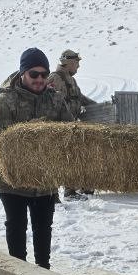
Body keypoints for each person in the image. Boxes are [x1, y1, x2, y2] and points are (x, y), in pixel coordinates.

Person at [0, 47, 75, 268]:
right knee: (16, 227)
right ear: (23, 73)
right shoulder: (4, 101)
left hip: (45, 181)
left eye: (44, 74)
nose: (39, 79)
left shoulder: (55, 100)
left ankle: (43, 272)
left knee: (43, 228)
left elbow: (69, 133)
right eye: (34, 74)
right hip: (12, 181)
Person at [46, 49, 97, 201]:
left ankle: (80, 187)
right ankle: (68, 191)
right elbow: (54, 104)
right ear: (68, 63)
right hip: (60, 127)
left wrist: (98, 106)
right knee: (66, 158)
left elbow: (79, 98)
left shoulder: (70, 79)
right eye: (76, 63)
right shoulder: (55, 78)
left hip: (70, 125)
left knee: (76, 155)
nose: (78, 67)